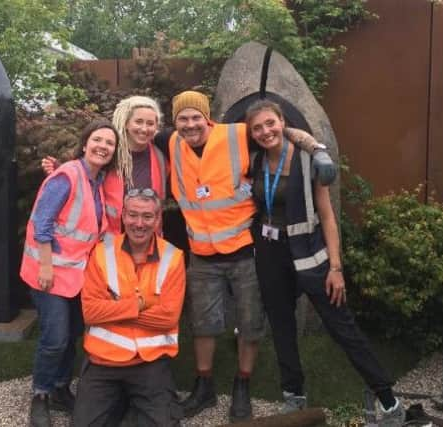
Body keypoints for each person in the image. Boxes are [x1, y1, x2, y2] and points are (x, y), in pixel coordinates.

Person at [163, 90, 335, 423]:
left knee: (250, 321)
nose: (190, 124)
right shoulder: (170, 142)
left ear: (207, 116)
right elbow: (130, 137)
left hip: (244, 250)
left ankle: (242, 384)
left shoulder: (237, 134)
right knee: (203, 323)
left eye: (195, 116)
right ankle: (204, 385)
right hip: (201, 253)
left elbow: (281, 130)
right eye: (182, 118)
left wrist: (318, 150)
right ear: (174, 122)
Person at [245, 99, 405, 426]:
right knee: (283, 329)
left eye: (270, 123)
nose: (265, 131)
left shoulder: (308, 161)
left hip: (310, 256)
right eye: (257, 128)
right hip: (271, 256)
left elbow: (328, 217)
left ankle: (389, 401)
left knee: (343, 328)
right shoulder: (255, 160)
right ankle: (294, 398)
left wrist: (335, 268)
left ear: (282, 122)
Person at [20, 119, 120, 427]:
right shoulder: (67, 176)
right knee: (55, 339)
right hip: (48, 273)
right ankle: (40, 395)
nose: (103, 146)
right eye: (98, 140)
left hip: (77, 276)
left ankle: (61, 387)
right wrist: (47, 266)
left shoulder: (96, 182)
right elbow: (42, 223)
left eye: (109, 143)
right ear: (85, 142)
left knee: (72, 334)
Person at [73, 188, 185, 426]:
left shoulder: (173, 257)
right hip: (103, 362)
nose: (139, 223)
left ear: (157, 220)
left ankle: (127, 407)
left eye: (147, 217)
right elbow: (90, 312)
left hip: (150, 364)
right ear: (123, 216)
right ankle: (125, 405)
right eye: (133, 215)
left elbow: (168, 319)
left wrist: (114, 308)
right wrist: (142, 304)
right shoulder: (102, 252)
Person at [42, 96, 168, 233]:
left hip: (149, 240)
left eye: (150, 123)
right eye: (138, 122)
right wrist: (61, 171)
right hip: (111, 242)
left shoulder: (161, 156)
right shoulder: (109, 153)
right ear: (126, 123)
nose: (144, 129)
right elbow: (85, 180)